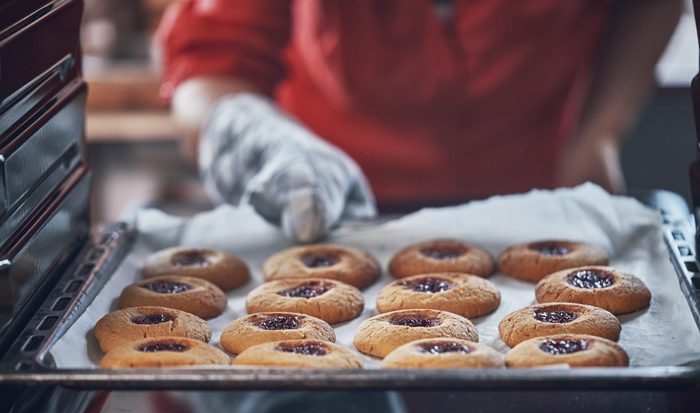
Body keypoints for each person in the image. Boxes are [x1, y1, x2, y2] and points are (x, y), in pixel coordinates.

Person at [158, 0, 682, 242]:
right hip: (323, 217)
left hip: (537, 197)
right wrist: (265, 142)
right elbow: (211, 66)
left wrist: (598, 133)